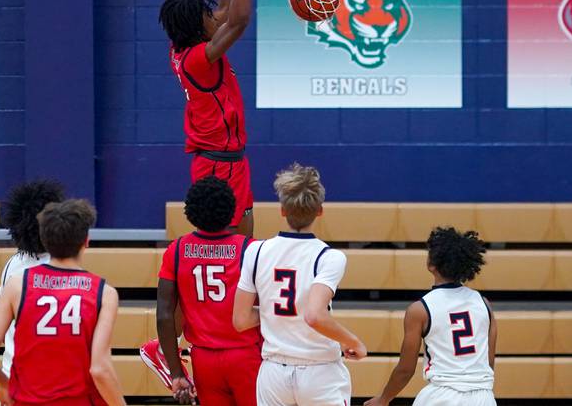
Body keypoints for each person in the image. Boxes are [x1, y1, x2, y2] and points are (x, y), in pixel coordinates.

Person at [233, 163, 367, 406]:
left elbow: (240, 320)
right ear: (319, 211)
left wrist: (277, 311)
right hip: (320, 372)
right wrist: (354, 342)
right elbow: (314, 316)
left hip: (273, 372)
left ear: (282, 210)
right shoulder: (329, 257)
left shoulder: (255, 251)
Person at [159, 0, 261, 239]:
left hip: (226, 161)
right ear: (197, 28)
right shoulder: (198, 60)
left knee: (245, 247)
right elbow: (239, 19)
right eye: (207, 17)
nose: (214, 16)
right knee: (231, 249)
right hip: (220, 165)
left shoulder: (182, 48)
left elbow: (226, 10)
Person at [0, 199, 126, 406]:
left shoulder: (17, 285)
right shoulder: (104, 293)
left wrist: (6, 386)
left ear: (45, 239)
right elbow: (100, 369)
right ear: (86, 240)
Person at [149, 176, 262, 405]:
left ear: (191, 211)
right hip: (246, 355)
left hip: (203, 360)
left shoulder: (177, 250)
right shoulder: (250, 249)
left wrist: (176, 372)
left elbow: (164, 315)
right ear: (231, 209)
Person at [364, 227, 496, 406]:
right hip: (483, 396)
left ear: (431, 264)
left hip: (442, 396)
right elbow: (488, 362)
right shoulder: (484, 304)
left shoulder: (420, 310)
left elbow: (405, 370)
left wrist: (383, 399)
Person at [0, 180, 64, 405]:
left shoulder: (11, 266)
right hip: (54, 383)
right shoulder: (66, 267)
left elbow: (0, 323)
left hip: (11, 377)